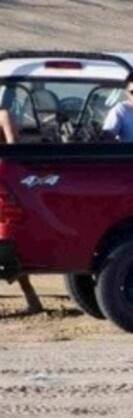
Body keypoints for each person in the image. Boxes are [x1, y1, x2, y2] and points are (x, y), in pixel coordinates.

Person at [0, 109, 43, 314]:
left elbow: (12, 147)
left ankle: (31, 297)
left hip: (3, 183)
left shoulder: (3, 116)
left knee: (6, 245)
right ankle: (31, 298)